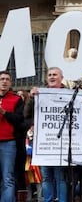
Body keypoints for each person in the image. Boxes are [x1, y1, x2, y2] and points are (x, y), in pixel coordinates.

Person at [29, 67, 68, 202]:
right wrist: (30, 98)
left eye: (55, 75)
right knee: (46, 176)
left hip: (61, 143)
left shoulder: (69, 94)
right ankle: (48, 200)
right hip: (44, 142)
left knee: (60, 177)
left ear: (61, 78)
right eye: (49, 75)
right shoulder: (39, 93)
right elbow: (27, 114)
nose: (51, 77)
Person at [0, 70, 24, 202]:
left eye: (7, 79)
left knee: (7, 178)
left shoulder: (16, 99)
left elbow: (19, 120)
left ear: (10, 82)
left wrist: (4, 112)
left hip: (8, 143)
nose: (4, 81)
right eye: (2, 79)